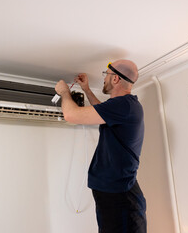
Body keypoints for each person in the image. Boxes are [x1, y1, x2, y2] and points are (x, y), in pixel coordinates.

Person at [55, 59, 146, 233]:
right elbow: (102, 111)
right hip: (116, 194)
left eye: (106, 75)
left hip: (120, 197)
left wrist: (65, 93)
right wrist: (87, 90)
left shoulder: (124, 105)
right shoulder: (124, 106)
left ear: (115, 79)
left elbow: (71, 115)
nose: (104, 79)